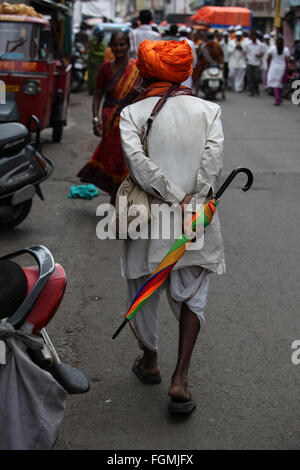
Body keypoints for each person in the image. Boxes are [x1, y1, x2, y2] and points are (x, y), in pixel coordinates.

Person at [119, 39, 225, 414]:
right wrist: (192, 198)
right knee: (193, 293)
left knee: (144, 289)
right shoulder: (209, 110)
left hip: (149, 219)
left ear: (146, 71)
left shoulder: (131, 113)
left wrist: (171, 193)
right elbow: (212, 163)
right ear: (183, 71)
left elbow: (136, 163)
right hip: (196, 217)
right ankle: (180, 379)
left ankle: (150, 362)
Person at [77, 32, 142, 204]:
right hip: (110, 117)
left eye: (122, 44)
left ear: (128, 45)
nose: (118, 48)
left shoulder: (138, 68)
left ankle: (119, 194)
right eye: (115, 44)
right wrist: (95, 119)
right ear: (110, 46)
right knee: (113, 156)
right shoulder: (105, 68)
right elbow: (98, 95)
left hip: (130, 118)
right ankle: (116, 193)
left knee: (126, 157)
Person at [267, 36, 290, 105]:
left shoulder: (272, 48)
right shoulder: (286, 49)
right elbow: (288, 59)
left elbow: (269, 57)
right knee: (279, 82)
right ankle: (279, 98)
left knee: (275, 84)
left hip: (274, 66)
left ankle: (277, 99)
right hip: (281, 67)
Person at [244, 30, 264, 96]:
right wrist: (246, 57)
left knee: (256, 77)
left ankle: (256, 88)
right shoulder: (247, 44)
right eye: (251, 36)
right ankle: (252, 91)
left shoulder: (260, 44)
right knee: (250, 78)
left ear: (255, 36)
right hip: (249, 62)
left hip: (256, 63)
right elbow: (244, 52)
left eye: (253, 36)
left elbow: (262, 53)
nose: (251, 37)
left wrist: (259, 55)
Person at [87, 29, 106, 95]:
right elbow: (103, 52)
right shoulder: (95, 42)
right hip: (94, 61)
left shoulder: (94, 41)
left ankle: (93, 90)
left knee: (94, 76)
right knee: (94, 76)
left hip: (95, 61)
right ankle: (93, 90)